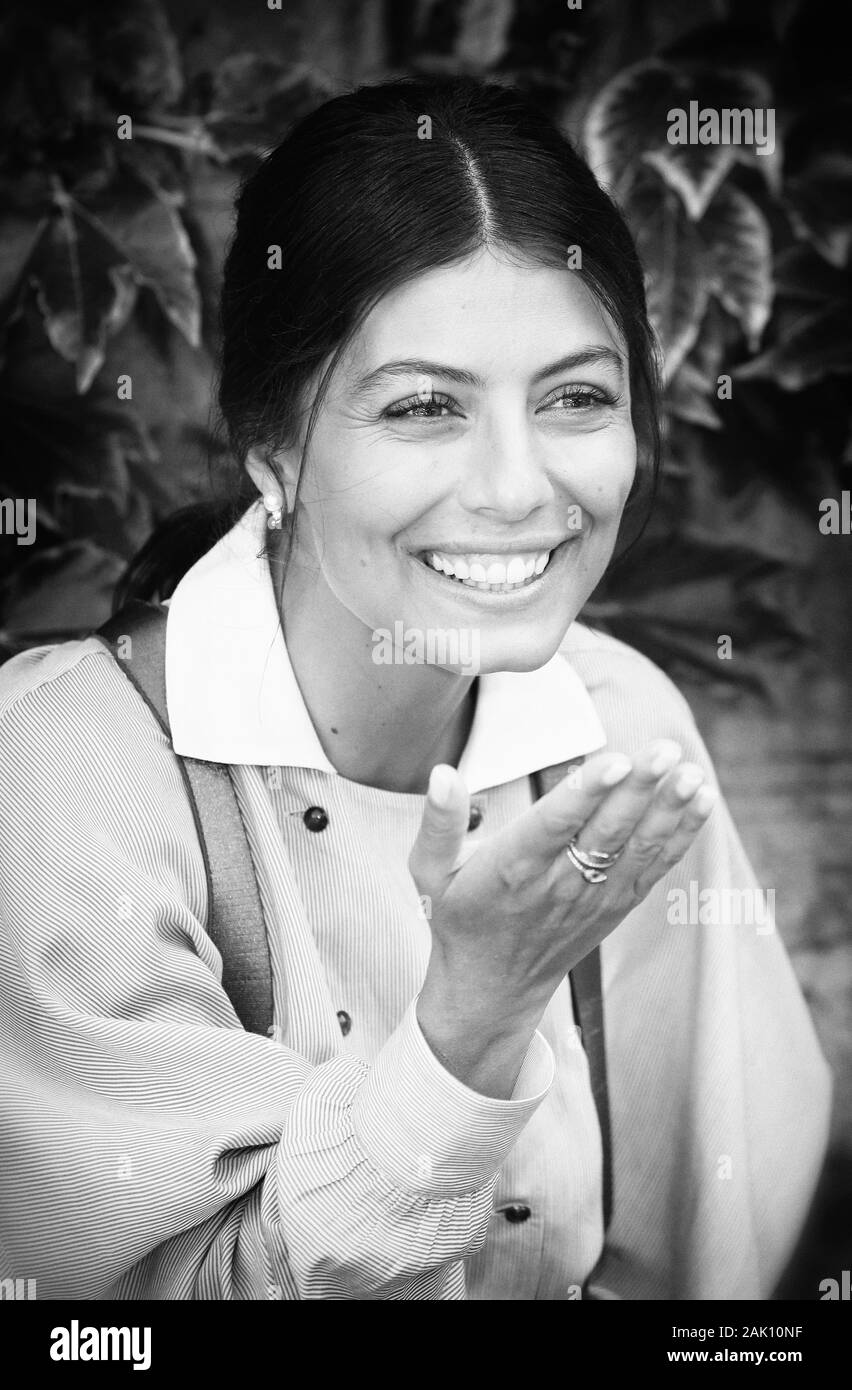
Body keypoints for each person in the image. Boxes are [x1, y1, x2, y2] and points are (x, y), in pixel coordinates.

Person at [0, 76, 830, 1301]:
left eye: (576, 397)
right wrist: (469, 1021)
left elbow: (716, 1272)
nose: (517, 486)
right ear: (274, 451)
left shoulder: (621, 729)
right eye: (426, 406)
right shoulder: (58, 772)